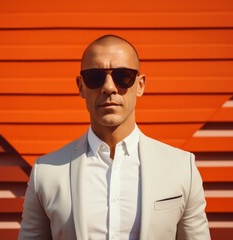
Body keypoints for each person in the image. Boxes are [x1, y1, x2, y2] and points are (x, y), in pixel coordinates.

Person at [18, 34, 211, 240]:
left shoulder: (181, 167)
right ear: (81, 86)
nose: (109, 88)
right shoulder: (46, 173)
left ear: (141, 85)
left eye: (123, 76)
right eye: (95, 77)